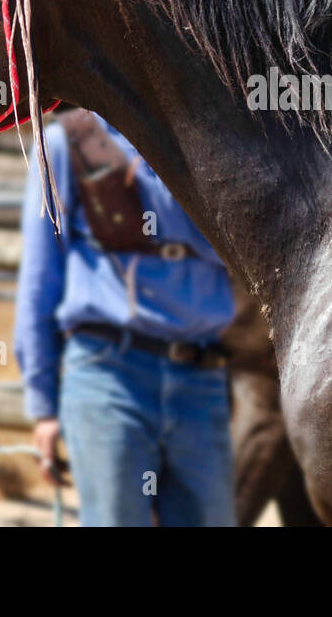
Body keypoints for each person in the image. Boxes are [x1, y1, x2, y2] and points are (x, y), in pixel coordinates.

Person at [13, 110, 236, 526]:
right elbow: (40, 278)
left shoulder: (214, 138)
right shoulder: (67, 142)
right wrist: (42, 405)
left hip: (202, 379)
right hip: (109, 375)